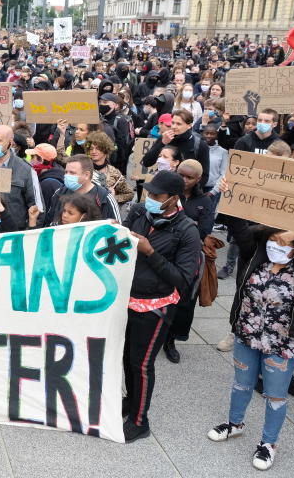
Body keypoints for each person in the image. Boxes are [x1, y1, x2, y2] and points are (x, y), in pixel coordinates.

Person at [208, 198, 294, 471]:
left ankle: (268, 443)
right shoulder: (256, 253)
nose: (277, 246)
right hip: (247, 335)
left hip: (283, 344)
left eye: (284, 244)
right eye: (274, 239)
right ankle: (235, 424)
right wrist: (230, 193)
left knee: (275, 395)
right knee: (241, 384)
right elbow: (239, 226)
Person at [122, 170, 202, 442]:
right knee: (127, 358)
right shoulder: (140, 213)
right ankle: (131, 401)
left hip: (155, 306)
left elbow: (182, 278)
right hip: (127, 299)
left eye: (157, 196)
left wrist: (150, 252)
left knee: (141, 364)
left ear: (173, 199)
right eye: (149, 193)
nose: (150, 199)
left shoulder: (187, 230)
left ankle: (139, 420)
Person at [163, 159, 215, 364]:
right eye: (181, 174)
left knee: (184, 301)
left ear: (198, 179)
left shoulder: (204, 202)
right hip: (164, 253)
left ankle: (171, 340)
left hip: (189, 258)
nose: (184, 180)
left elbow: (204, 230)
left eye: (189, 177)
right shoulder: (166, 193)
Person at [42, 155, 120, 226]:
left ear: (86, 175)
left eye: (72, 173)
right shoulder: (60, 192)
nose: (67, 176)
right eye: (66, 172)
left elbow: (118, 229)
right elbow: (49, 223)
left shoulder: (104, 198)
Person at [86, 131, 134, 206]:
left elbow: (130, 194)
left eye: (98, 148)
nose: (93, 151)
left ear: (105, 149)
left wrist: (113, 198)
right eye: (91, 149)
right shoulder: (84, 169)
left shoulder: (114, 172)